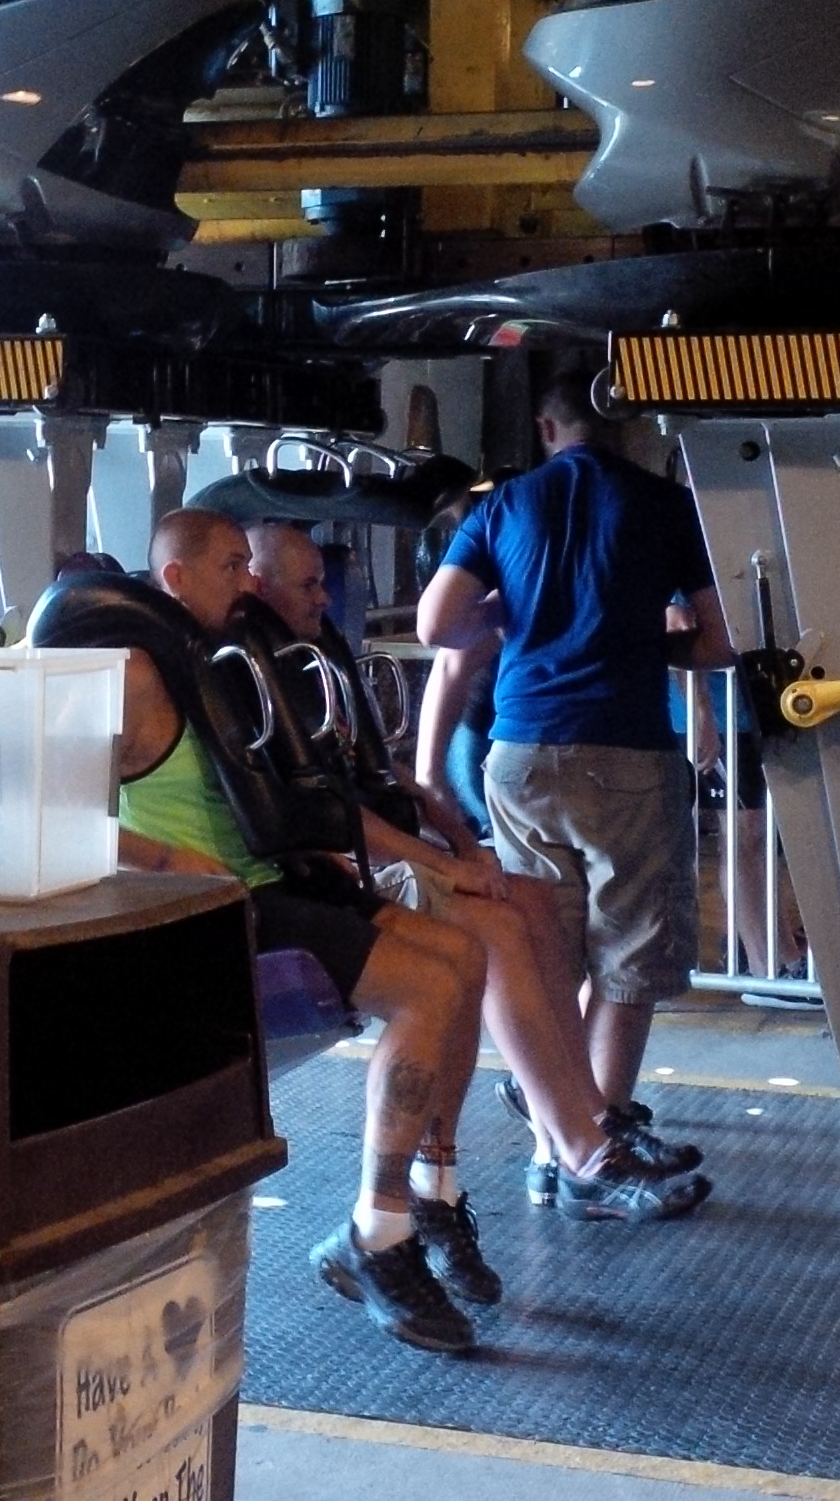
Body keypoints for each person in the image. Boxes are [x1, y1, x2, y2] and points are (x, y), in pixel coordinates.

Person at [92, 511, 702, 1357]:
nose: (246, 584)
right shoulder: (133, 674)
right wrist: (169, 859)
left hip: (273, 882)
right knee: (429, 983)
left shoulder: (222, 665)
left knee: (461, 957)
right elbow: (58, 810)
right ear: (175, 579)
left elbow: (296, 799)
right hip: (208, 909)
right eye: (232, 567)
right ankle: (379, 1230)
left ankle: (430, 1190)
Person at [239, 520, 694, 1227]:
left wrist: (459, 840)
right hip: (330, 869)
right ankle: (579, 1154)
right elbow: (323, 814)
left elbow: (375, 776)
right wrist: (440, 861)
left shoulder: (314, 653)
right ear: (257, 584)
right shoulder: (249, 673)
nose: (326, 598)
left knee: (528, 900)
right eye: (309, 585)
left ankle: (586, 1123)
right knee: (495, 928)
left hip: (370, 851)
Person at [416, 368, 730, 1197]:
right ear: (626, 428)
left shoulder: (504, 505)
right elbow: (720, 640)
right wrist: (652, 644)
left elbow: (436, 625)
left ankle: (556, 1151)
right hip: (628, 751)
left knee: (544, 957)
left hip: (520, 753)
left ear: (547, 429)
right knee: (627, 956)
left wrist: (507, 617)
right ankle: (602, 1148)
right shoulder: (666, 505)